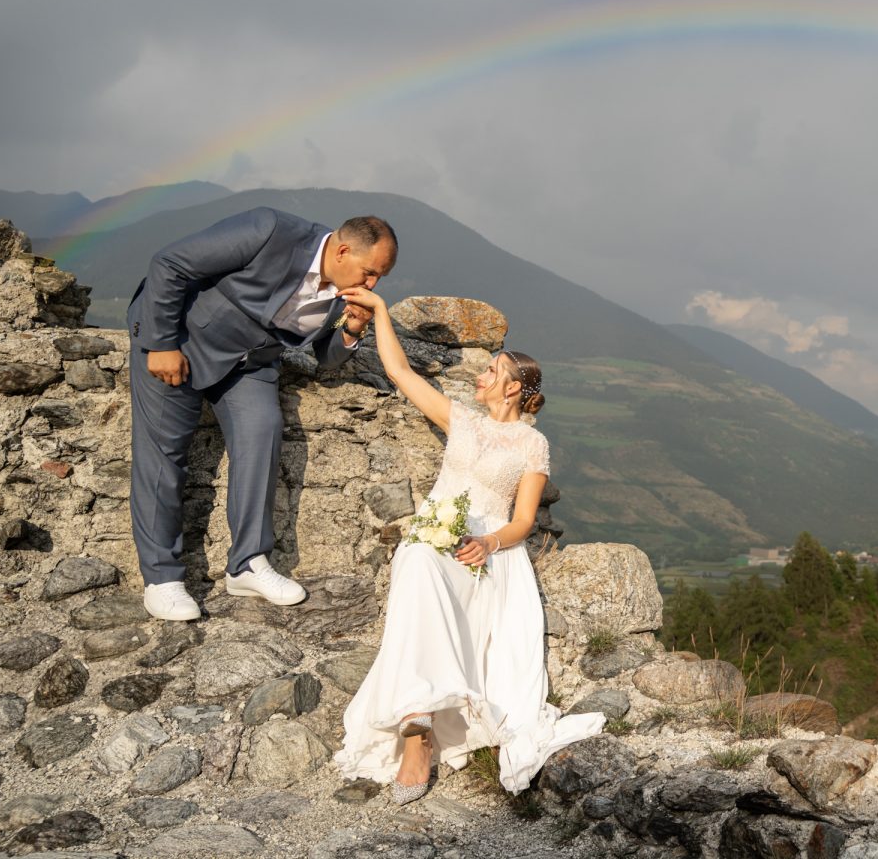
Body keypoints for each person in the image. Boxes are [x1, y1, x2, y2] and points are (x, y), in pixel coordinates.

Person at [332, 285, 603, 804]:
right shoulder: (462, 420)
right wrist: (382, 311)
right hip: (435, 532)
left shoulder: (532, 443)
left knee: (424, 570)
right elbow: (399, 372)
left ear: (512, 388)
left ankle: (420, 721)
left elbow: (524, 519)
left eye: (491, 371)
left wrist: (488, 542)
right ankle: (417, 724)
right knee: (415, 560)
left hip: (489, 546)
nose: (480, 376)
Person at [127, 207, 397, 621]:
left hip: (250, 365)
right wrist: (162, 343)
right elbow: (170, 263)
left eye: (380, 277)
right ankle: (162, 579)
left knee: (263, 432)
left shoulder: (344, 290)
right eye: (370, 272)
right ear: (342, 251)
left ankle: (248, 564)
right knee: (163, 456)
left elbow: (325, 357)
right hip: (184, 341)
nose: (373, 284)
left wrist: (352, 328)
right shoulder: (269, 230)